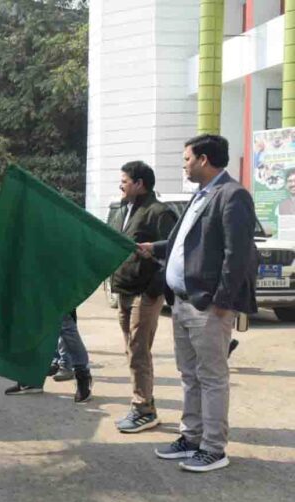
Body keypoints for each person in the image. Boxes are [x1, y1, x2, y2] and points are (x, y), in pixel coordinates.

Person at [138, 134, 257, 473]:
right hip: (182, 302)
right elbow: (185, 243)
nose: (184, 164)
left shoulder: (233, 196)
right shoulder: (200, 196)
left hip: (208, 306)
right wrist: (155, 247)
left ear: (204, 159)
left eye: (187, 158)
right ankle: (191, 438)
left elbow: (238, 255)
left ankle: (214, 448)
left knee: (212, 377)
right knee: (189, 375)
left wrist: (222, 301)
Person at [111, 161, 177, 433]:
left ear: (139, 183)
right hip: (124, 289)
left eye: (125, 180)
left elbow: (174, 252)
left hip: (145, 292)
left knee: (138, 349)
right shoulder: (121, 211)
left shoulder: (159, 213)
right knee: (132, 349)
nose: (121, 185)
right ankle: (145, 403)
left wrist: (154, 290)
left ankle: (143, 409)